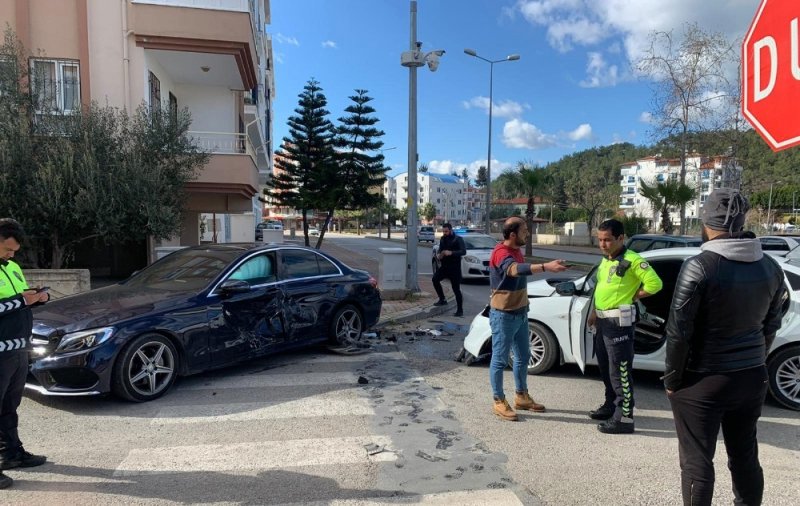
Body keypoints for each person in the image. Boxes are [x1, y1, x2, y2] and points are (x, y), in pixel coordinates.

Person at [663, 189, 784, 506]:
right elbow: (770, 325)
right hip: (751, 376)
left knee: (696, 463)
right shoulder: (771, 267)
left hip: (703, 381)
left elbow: (679, 332)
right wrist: (756, 359)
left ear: (706, 221)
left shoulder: (700, 266)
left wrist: (673, 380)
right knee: (744, 455)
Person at [489, 217, 568, 421]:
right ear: (513, 234)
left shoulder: (516, 250)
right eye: (525, 230)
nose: (528, 233)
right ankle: (498, 400)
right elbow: (513, 270)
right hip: (503, 316)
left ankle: (521, 396)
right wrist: (545, 267)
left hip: (521, 313)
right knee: (499, 360)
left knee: (523, 357)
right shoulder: (501, 253)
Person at [588, 219, 662, 434]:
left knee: (619, 371)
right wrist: (594, 312)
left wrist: (633, 295)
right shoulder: (606, 260)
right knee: (604, 367)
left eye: (608, 240)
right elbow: (602, 288)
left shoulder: (633, 260)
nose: (603, 244)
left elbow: (655, 284)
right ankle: (610, 405)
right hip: (603, 320)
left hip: (619, 323)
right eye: (600, 240)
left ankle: (625, 417)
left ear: (621, 238)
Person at [0, 219, 49, 489]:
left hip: (17, 348)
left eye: (15, 250)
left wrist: (37, 297)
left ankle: (11, 454)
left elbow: (18, 299)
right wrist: (22, 300)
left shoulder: (13, 266)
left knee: (9, 407)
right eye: (7, 249)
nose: (12, 254)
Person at [432, 223, 466, 317]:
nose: (445, 233)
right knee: (435, 279)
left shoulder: (458, 239)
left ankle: (460, 310)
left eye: (446, 231)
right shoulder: (443, 239)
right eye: (443, 231)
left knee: (456, 289)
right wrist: (440, 254)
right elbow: (440, 250)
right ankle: (442, 299)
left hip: (455, 268)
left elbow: (463, 251)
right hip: (444, 266)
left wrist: (451, 253)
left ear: (451, 230)